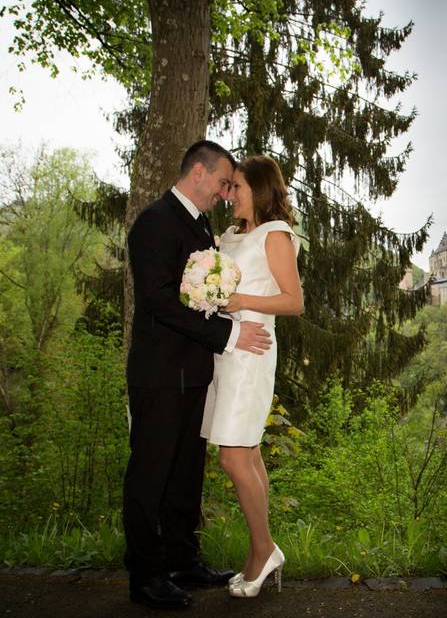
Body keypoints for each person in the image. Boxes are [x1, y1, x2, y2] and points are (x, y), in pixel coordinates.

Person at [123, 140, 273, 610]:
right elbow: (159, 301)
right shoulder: (154, 222)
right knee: (150, 475)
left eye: (233, 185)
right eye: (223, 182)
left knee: (186, 474)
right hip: (160, 374)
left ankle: (183, 559)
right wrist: (229, 337)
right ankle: (145, 576)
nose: (225, 192)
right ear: (200, 174)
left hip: (195, 375)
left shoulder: (200, 227)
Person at [201, 155, 303, 598]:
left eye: (236, 187)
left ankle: (263, 550)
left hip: (253, 351)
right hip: (227, 349)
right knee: (249, 452)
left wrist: (235, 296)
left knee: (233, 456)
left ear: (258, 190)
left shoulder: (275, 235)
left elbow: (293, 301)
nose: (228, 195)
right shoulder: (231, 234)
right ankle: (263, 551)